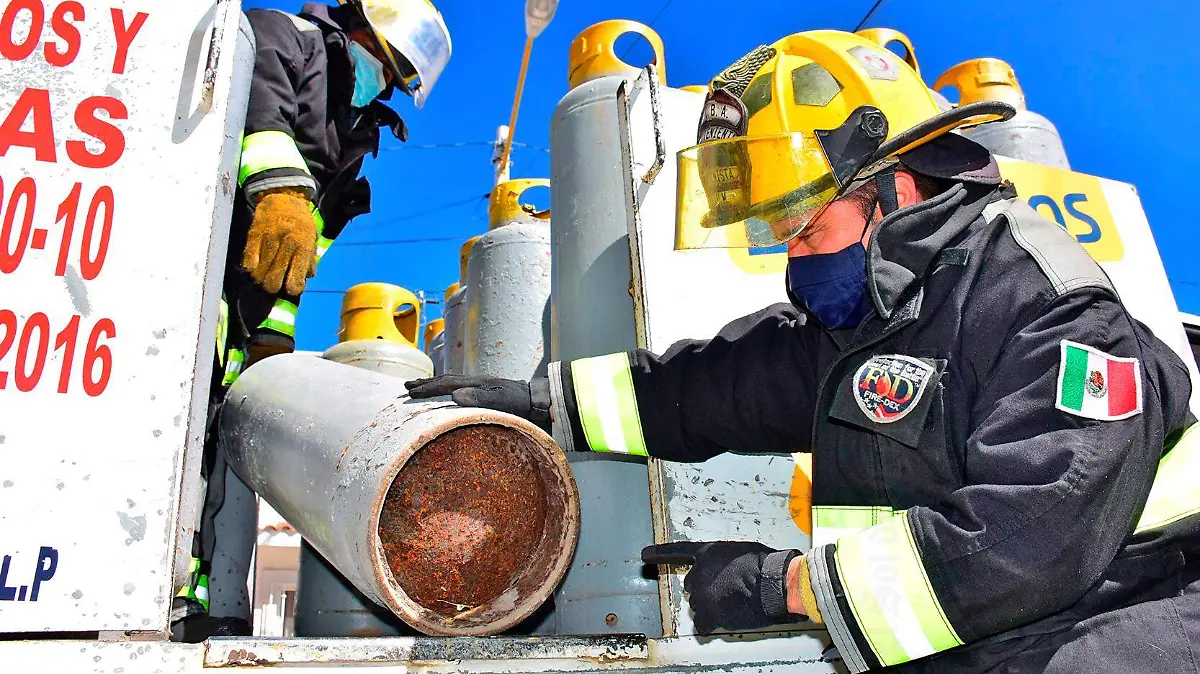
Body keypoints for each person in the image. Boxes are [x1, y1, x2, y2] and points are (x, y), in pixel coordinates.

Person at [407, 30, 1200, 673]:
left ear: (896, 188)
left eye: (807, 230)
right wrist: (544, 403)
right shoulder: (865, 324)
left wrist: (787, 587)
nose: (797, 259)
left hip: (1129, 626)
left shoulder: (1048, 306)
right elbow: (706, 389)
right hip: (984, 644)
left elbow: (1032, 538)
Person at [172, 0, 452, 641]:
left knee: (224, 450)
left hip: (245, 303)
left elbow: (302, 254)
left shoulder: (354, 133)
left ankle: (202, 603)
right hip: (194, 277)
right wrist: (279, 188)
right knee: (183, 441)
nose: (380, 81)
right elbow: (260, 112)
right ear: (357, 28)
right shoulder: (284, 37)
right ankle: (168, 592)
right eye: (381, 63)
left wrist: (274, 327)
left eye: (393, 78)